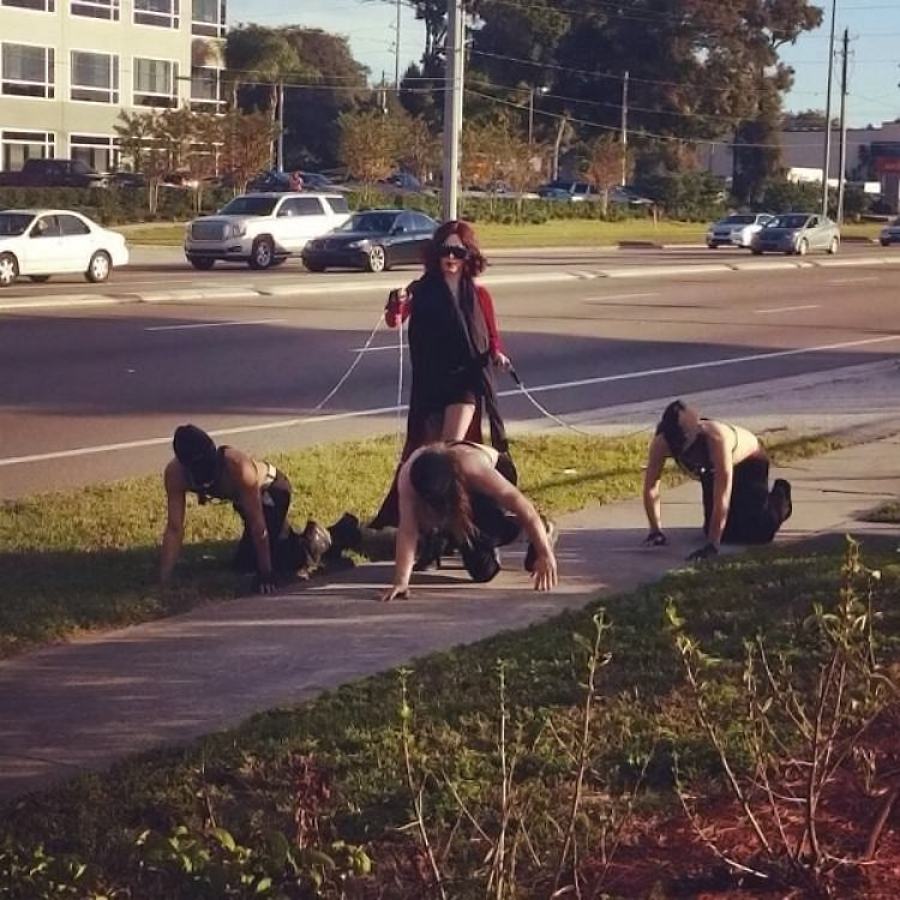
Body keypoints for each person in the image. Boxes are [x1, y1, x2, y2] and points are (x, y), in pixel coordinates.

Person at [369, 220, 511, 531]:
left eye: (458, 251)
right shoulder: (420, 291)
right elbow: (395, 320)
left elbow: (491, 335)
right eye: (445, 251)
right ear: (436, 253)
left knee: (450, 450)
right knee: (425, 452)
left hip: (465, 382)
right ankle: (426, 516)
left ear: (468, 255)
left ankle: (456, 520)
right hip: (431, 382)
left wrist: (498, 355)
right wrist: (396, 303)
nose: (451, 258)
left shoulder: (479, 295)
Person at [380, 441, 558, 602]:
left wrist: (545, 554)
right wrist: (401, 581)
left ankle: (531, 529)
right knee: (483, 572)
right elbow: (408, 530)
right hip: (456, 491)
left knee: (485, 532)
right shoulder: (408, 478)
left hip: (496, 472)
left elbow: (523, 506)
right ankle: (459, 539)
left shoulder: (473, 468)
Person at [160, 425, 330, 593]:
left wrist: (266, 574)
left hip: (271, 491)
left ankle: (321, 538)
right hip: (244, 501)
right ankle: (285, 538)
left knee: (279, 562)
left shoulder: (238, 466)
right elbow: (174, 529)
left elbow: (258, 526)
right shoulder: (175, 475)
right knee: (244, 564)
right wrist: (164, 579)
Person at [642, 400, 793, 560]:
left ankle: (781, 494)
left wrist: (712, 546)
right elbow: (651, 487)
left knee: (759, 533)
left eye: (688, 446)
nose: (684, 453)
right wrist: (655, 531)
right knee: (715, 531)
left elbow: (722, 496)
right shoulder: (661, 443)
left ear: (697, 432)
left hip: (749, 462)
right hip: (711, 470)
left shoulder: (716, 438)